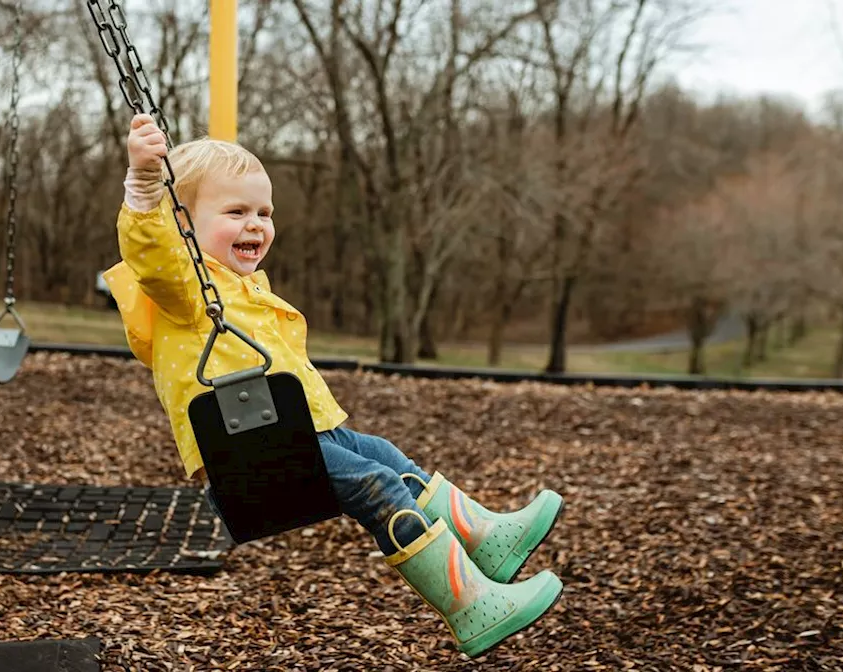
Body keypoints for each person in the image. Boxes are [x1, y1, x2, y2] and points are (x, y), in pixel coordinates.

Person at [102, 114, 564, 658]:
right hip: (254, 448)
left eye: (264, 213)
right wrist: (144, 184)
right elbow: (151, 254)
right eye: (236, 212)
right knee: (377, 485)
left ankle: (486, 541)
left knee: (383, 454)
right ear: (183, 223)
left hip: (303, 430)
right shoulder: (185, 290)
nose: (255, 225)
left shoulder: (243, 287)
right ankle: (473, 605)